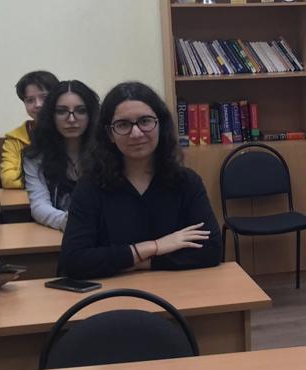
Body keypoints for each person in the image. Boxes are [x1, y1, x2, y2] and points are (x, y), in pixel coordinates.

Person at [58, 81, 222, 279]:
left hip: (177, 289)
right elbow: (74, 260)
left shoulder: (186, 182)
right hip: (114, 293)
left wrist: (141, 262)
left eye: (145, 121)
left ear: (160, 125)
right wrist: (155, 246)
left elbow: (211, 250)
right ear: (110, 134)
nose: (136, 133)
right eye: (123, 125)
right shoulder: (90, 186)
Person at [23, 80, 99, 231]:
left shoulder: (106, 151)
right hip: (59, 231)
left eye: (81, 111)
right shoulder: (35, 156)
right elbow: (39, 206)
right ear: (50, 116)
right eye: (61, 111)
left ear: (91, 114)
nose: (71, 119)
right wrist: (70, 222)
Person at [0, 69, 59, 189]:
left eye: (44, 97)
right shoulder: (15, 138)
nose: (38, 104)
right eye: (30, 100)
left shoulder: (69, 130)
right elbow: (8, 179)